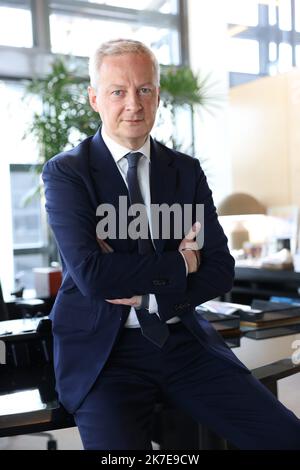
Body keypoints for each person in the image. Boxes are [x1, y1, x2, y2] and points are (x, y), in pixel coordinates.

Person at [42, 38, 300, 450]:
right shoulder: (68, 173)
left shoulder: (185, 172)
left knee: (286, 437)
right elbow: (92, 275)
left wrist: (156, 300)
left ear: (158, 96)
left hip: (181, 340)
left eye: (144, 89)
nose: (133, 104)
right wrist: (181, 263)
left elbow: (219, 268)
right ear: (94, 98)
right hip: (105, 356)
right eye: (118, 91)